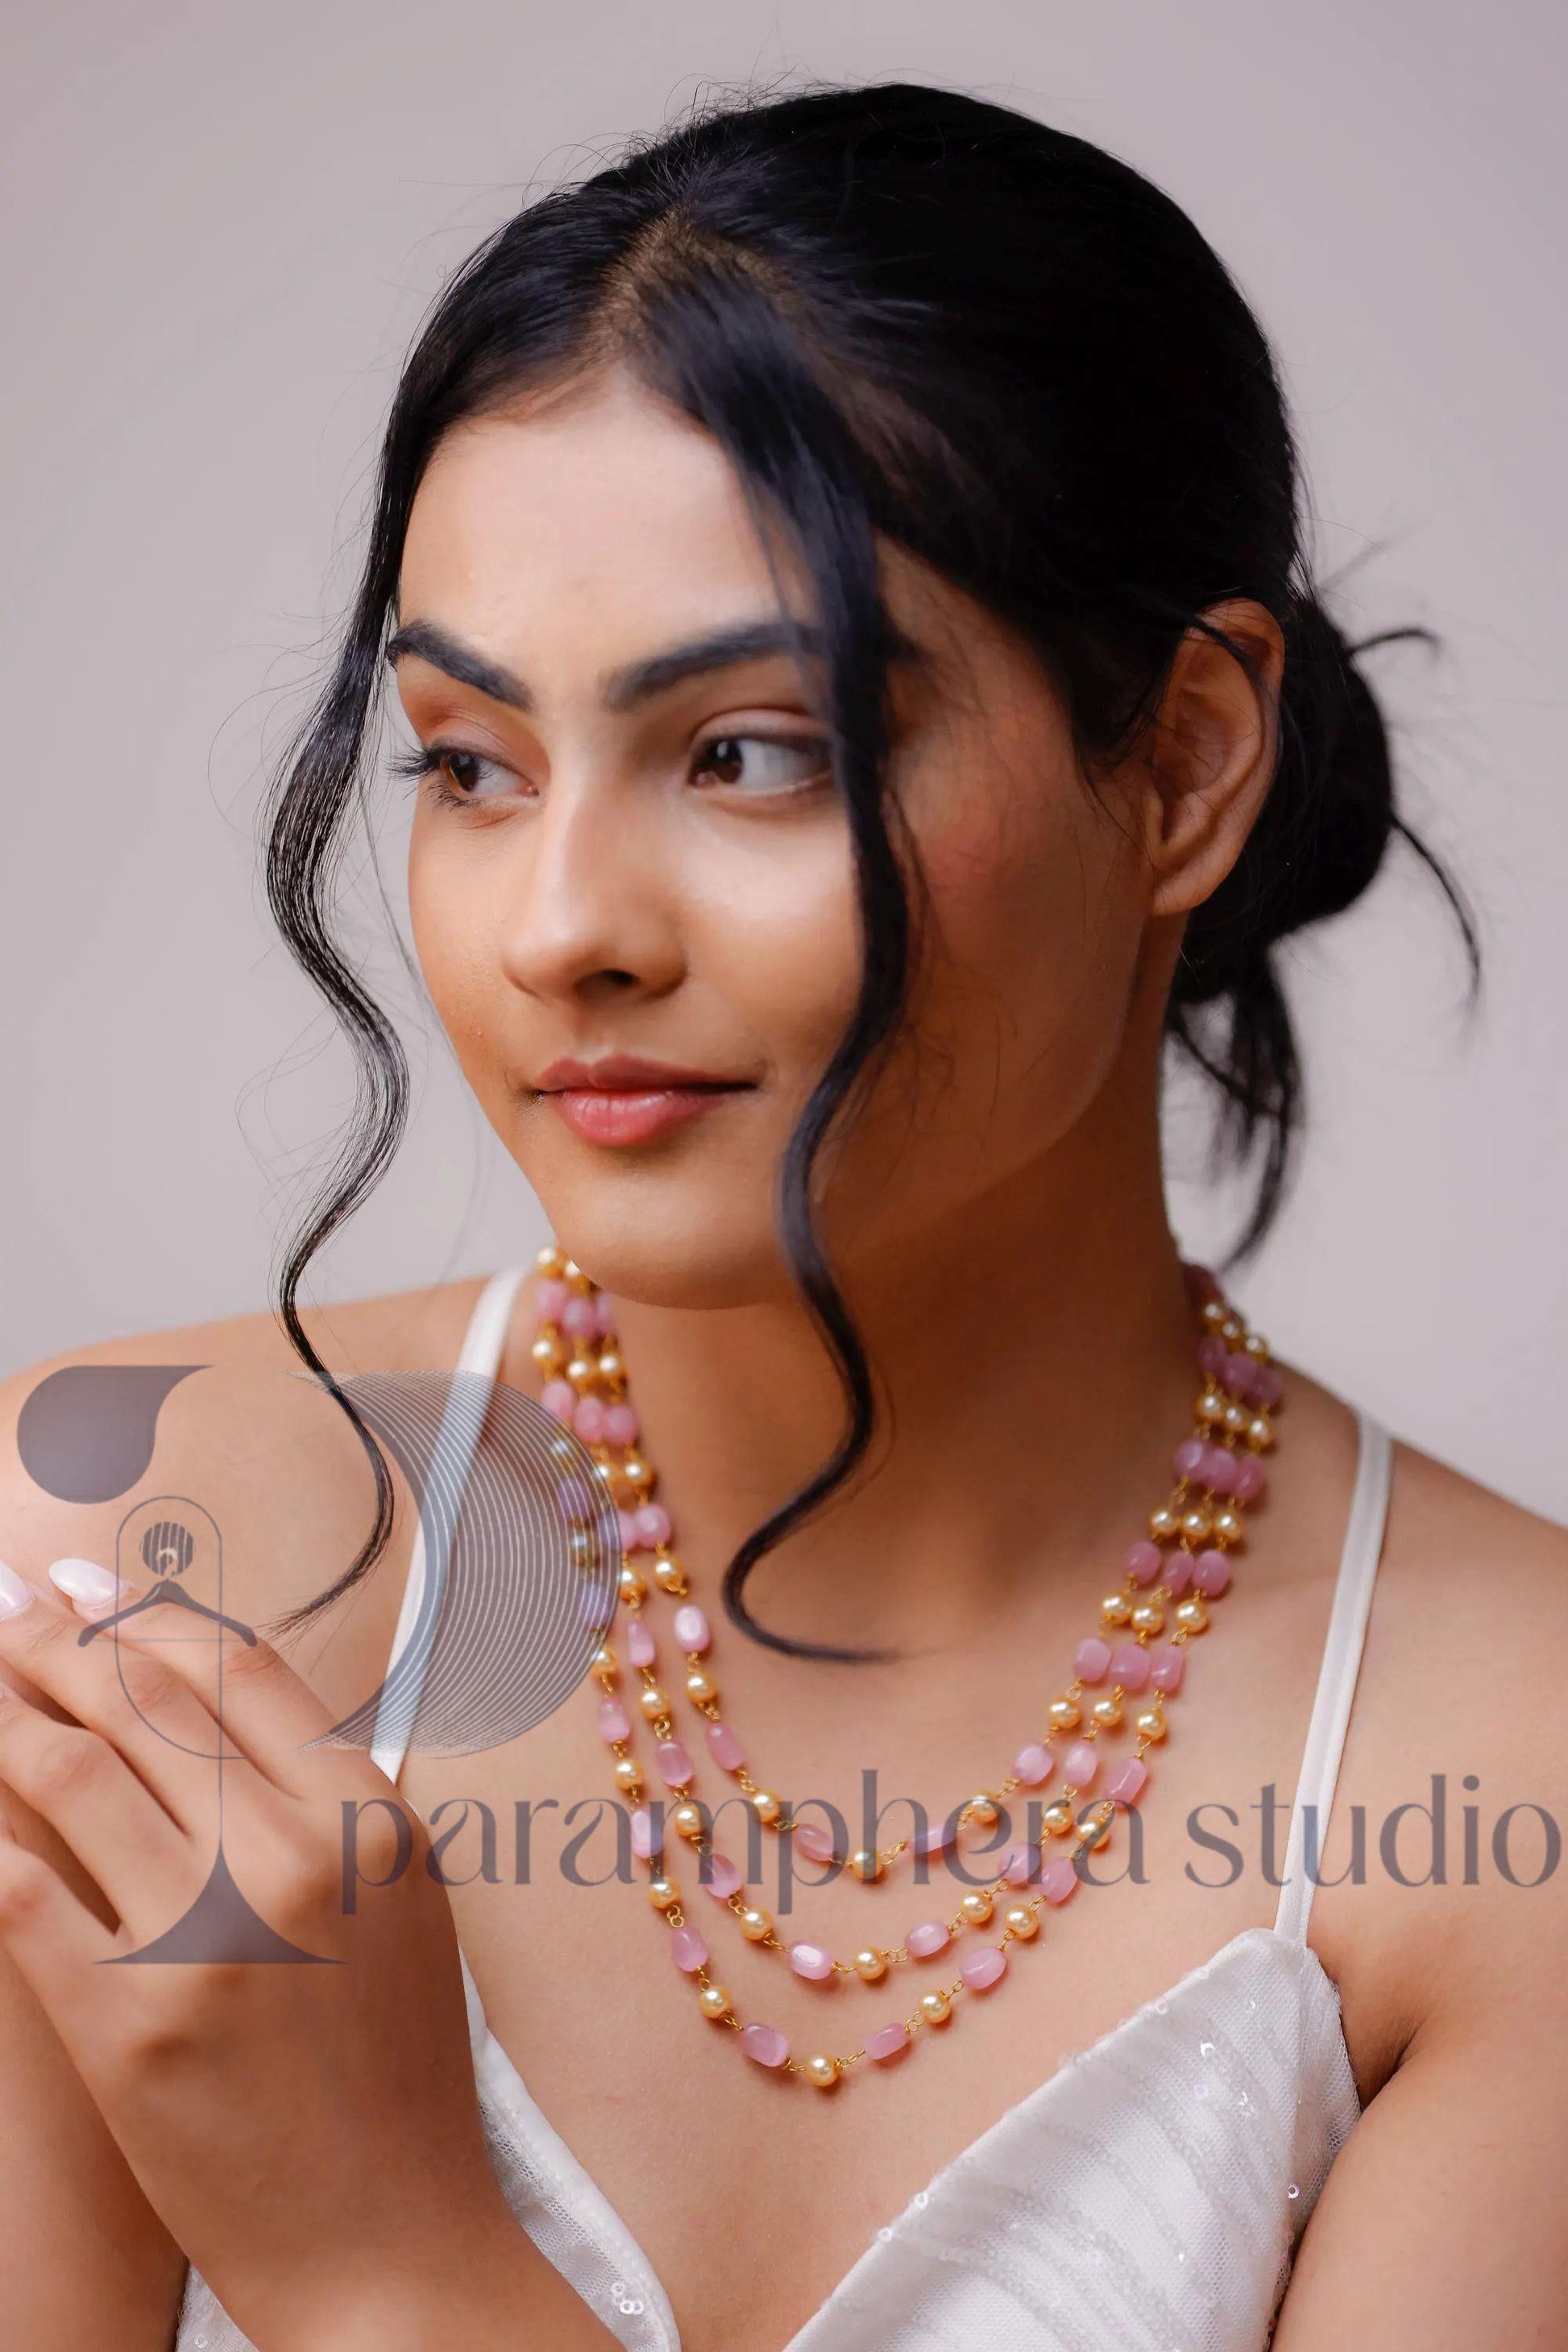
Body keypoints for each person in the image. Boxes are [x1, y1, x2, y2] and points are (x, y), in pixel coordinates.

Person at [0, 78, 1564, 2352]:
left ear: (1184, 762)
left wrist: (384, 2266)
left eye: (750, 751)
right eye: (470, 764)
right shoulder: (123, 1584)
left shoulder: (1514, 1772)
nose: (560, 929)